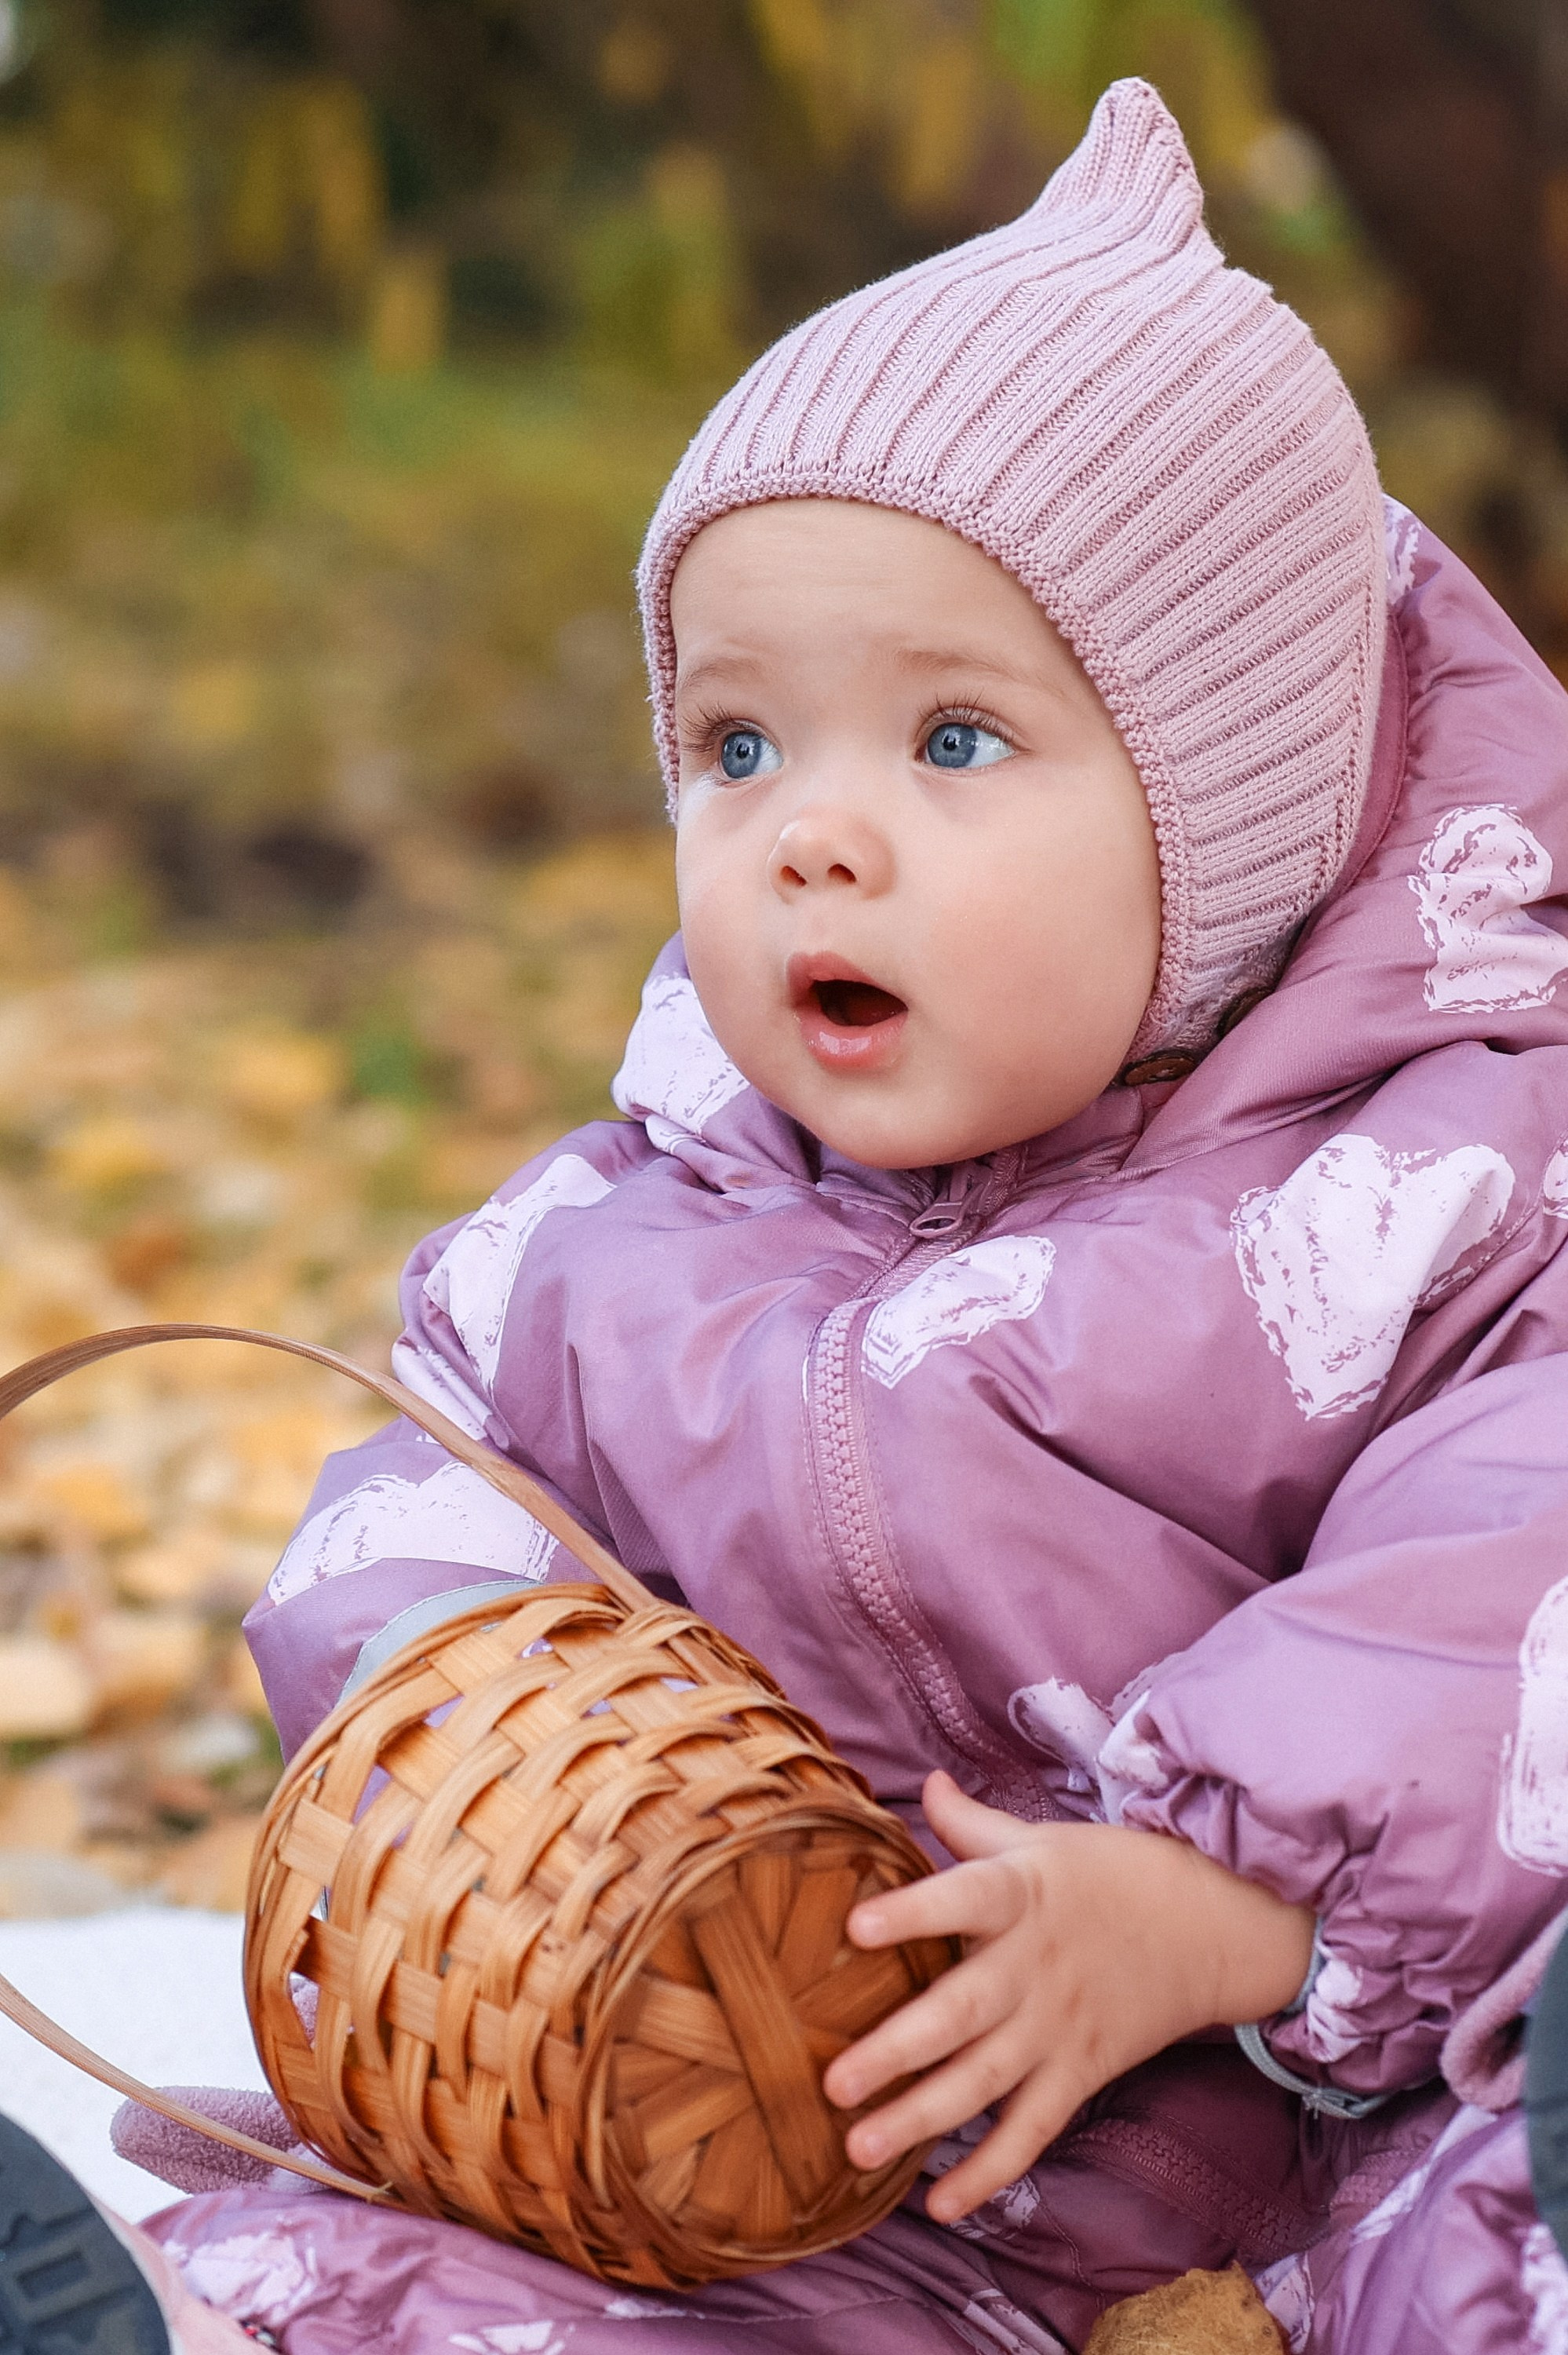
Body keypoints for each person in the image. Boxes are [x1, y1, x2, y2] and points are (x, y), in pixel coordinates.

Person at [100, 75, 1568, 2353]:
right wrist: (444, 1742)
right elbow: (419, 1512)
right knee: (383, 2283)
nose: (809, 838)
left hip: (1330, 2149)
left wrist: (1213, 1906)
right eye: (741, 747)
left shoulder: (1438, 1204)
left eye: (955, 743)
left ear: (1241, 824)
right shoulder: (613, 1242)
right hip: (793, 2183)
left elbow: (1508, 1581)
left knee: (1508, 2232)